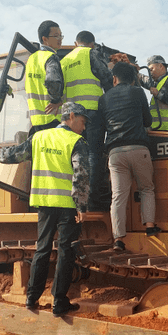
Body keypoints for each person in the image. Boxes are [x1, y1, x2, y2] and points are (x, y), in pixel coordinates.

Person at [0, 101, 91, 316]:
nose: (84, 127)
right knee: (66, 252)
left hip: (44, 203)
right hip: (66, 206)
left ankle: (31, 297)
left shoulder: (39, 137)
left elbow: (14, 155)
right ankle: (59, 301)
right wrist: (82, 205)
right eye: (82, 122)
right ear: (71, 116)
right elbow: (81, 174)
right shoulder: (77, 141)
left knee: (42, 249)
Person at [98, 62, 159, 252]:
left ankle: (118, 239)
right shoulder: (137, 92)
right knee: (147, 188)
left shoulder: (104, 98)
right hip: (138, 147)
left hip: (115, 153)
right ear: (133, 79)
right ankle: (149, 227)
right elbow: (148, 120)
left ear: (114, 78)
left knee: (118, 196)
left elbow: (102, 127)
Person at [60, 30, 114, 212]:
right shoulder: (90, 53)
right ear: (92, 44)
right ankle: (92, 199)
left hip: (71, 116)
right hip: (92, 111)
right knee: (94, 154)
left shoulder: (64, 61)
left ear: (76, 43)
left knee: (74, 157)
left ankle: (75, 198)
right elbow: (106, 77)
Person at [25, 20, 65, 140]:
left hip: (36, 121)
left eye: (61, 35)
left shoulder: (31, 59)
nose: (60, 39)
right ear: (45, 39)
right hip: (52, 118)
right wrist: (56, 100)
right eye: (56, 36)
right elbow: (52, 80)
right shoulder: (50, 57)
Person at [139, 55, 168, 132]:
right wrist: (134, 71)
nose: (150, 72)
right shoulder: (156, 83)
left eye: (152, 69)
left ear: (160, 66)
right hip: (156, 129)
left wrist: (158, 94)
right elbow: (143, 79)